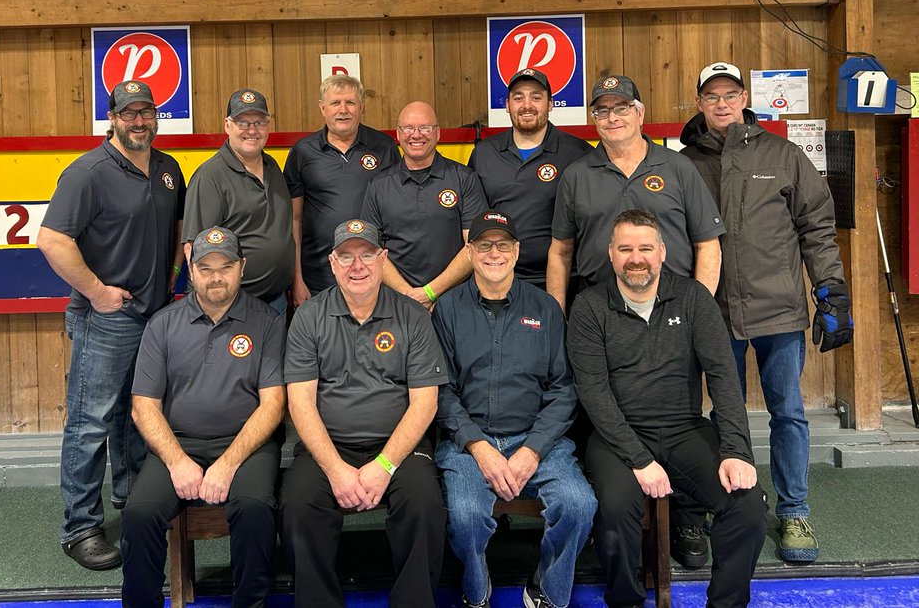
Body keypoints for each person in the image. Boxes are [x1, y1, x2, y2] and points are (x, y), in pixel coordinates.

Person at [681, 61, 852, 563]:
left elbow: (816, 227)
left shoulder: (782, 154)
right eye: (711, 96)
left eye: (729, 93)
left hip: (779, 309)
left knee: (788, 412)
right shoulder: (683, 163)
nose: (721, 103)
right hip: (714, 311)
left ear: (744, 98)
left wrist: (831, 289)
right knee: (719, 414)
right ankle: (733, 502)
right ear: (699, 104)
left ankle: (794, 509)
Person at [567, 210, 767, 608]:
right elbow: (593, 392)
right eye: (625, 248)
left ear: (662, 252)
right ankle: (626, 600)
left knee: (747, 505)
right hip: (616, 438)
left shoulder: (693, 299)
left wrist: (737, 451)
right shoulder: (589, 307)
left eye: (644, 248)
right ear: (610, 254)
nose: (635, 258)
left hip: (684, 430)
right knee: (615, 508)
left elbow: (725, 379)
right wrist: (639, 458)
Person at [38, 80, 186, 569]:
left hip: (154, 316)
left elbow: (177, 233)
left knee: (136, 415)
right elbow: (53, 240)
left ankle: (132, 500)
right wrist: (99, 293)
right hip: (106, 318)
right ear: (113, 118)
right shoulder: (88, 172)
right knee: (90, 423)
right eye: (130, 114)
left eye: (147, 112)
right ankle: (79, 527)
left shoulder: (168, 169)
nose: (139, 121)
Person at [433, 209, 597, 608]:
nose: (494, 253)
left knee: (579, 505)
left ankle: (545, 589)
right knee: (467, 516)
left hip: (536, 437)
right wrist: (478, 446)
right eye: (484, 245)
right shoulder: (447, 310)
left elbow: (563, 390)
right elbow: (441, 392)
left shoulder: (545, 308)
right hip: (468, 441)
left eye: (502, 245)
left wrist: (533, 449)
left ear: (517, 250)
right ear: (470, 252)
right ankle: (477, 590)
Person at [282, 218, 448, 608]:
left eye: (368, 255)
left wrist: (385, 464)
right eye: (346, 256)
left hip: (399, 448)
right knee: (298, 507)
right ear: (332, 262)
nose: (358, 266)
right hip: (329, 446)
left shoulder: (412, 316)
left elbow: (426, 403)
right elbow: (300, 402)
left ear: (383, 259)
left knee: (425, 506)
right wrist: (336, 469)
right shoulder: (309, 318)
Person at [120, 226, 285, 608]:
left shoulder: (268, 322)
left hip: (246, 445)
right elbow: (143, 405)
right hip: (178, 443)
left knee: (256, 509)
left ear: (241, 268)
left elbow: (273, 404)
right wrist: (178, 462)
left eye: (225, 266)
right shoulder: (162, 324)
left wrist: (227, 464)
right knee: (139, 515)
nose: (216, 277)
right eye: (206, 267)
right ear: (191, 271)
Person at [547, 74, 725, 315]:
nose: (612, 118)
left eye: (622, 108)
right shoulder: (576, 175)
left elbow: (707, 245)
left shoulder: (679, 167)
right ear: (595, 120)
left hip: (672, 305)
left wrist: (699, 310)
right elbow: (561, 251)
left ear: (639, 114)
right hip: (599, 308)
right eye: (602, 110)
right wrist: (555, 314)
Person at [469, 68, 593, 289]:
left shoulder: (578, 153)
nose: (527, 105)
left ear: (550, 104)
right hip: (497, 277)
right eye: (518, 98)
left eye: (536, 97)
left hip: (564, 279)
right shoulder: (483, 153)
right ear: (507, 105)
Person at [362, 100, 486, 310]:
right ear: (399, 134)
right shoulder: (378, 185)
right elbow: (370, 250)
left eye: (425, 128)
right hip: (396, 303)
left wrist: (430, 293)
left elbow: (474, 245)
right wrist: (409, 296)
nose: (416, 135)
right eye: (409, 128)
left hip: (455, 302)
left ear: (437, 133)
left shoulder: (464, 178)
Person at [285, 74, 398, 304]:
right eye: (335, 103)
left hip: (372, 271)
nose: (343, 110)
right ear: (322, 107)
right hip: (318, 273)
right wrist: (297, 280)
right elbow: (294, 220)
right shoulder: (302, 152)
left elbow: (397, 211)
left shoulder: (384, 147)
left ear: (362, 107)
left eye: (350, 102)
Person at [181, 89, 293, 314]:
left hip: (276, 301)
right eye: (243, 122)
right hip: (231, 307)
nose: (252, 130)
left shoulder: (273, 168)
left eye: (260, 122)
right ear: (227, 125)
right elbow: (193, 249)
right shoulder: (210, 176)